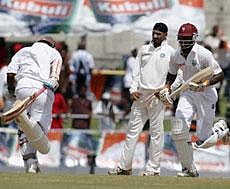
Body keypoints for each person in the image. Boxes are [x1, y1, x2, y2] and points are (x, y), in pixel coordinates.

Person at [159, 23, 229, 177]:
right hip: (188, 94)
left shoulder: (204, 54)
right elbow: (171, 74)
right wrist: (166, 88)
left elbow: (219, 74)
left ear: (194, 38)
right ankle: (188, 169)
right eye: (181, 39)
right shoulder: (176, 55)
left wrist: (204, 84)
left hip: (206, 94)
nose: (183, 43)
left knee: (203, 142)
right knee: (178, 129)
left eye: (186, 39)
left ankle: (221, 129)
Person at [108, 22, 175, 176]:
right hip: (141, 95)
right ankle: (125, 167)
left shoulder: (170, 52)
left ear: (165, 35)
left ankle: (153, 168)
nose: (155, 36)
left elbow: (176, 73)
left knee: (156, 133)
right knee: (132, 131)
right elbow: (136, 73)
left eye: (159, 34)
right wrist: (132, 90)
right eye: (154, 33)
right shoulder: (144, 50)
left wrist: (167, 88)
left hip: (157, 96)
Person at [6, 36, 62, 173]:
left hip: (22, 86)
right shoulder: (54, 53)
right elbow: (55, 73)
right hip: (42, 89)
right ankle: (32, 163)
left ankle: (31, 163)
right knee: (38, 130)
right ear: (52, 45)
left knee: (25, 128)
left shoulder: (24, 50)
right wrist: (54, 79)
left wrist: (12, 92)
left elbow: (10, 73)